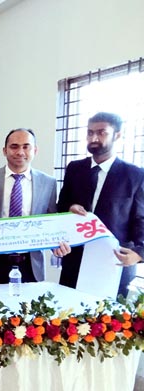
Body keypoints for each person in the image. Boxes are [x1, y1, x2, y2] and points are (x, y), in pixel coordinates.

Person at [57, 112, 144, 297]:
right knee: (67, 313)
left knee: (108, 315)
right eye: (90, 132)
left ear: (117, 135)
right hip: (75, 260)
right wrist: (70, 207)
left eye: (101, 132)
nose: (94, 138)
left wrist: (139, 253)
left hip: (114, 261)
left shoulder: (135, 174)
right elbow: (61, 204)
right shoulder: (74, 168)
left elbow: (141, 218)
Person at [0, 128, 69, 283]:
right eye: (14, 147)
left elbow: (51, 219)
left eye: (26, 147)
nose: (20, 152)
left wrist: (56, 243)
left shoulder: (48, 182)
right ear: (4, 151)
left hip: (31, 263)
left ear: (35, 150)